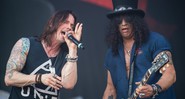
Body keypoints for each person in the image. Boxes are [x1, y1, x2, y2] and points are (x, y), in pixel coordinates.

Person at [103, 0, 176, 99]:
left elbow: (170, 74)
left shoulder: (156, 41)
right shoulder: (111, 53)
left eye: (128, 18)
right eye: (119, 20)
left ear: (135, 20)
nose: (124, 23)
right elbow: (110, 88)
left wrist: (154, 88)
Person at [4, 10, 83, 99]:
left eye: (72, 26)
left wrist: (73, 49)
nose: (69, 27)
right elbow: (9, 78)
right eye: (65, 22)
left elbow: (68, 85)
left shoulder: (66, 56)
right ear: (51, 23)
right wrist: (40, 78)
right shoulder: (26, 44)